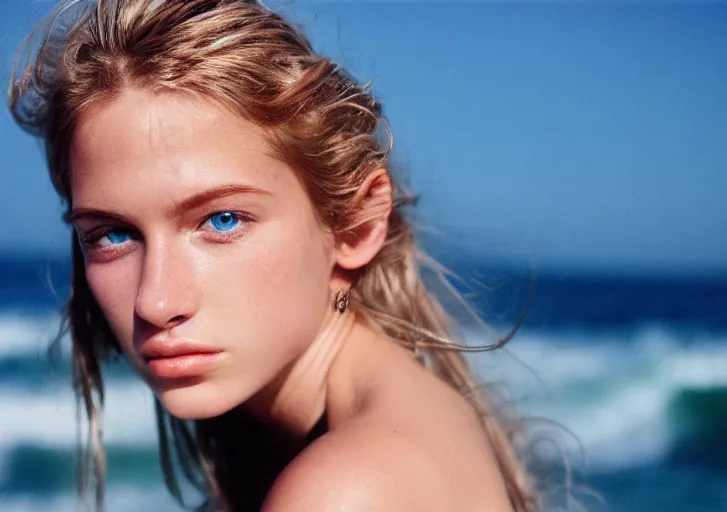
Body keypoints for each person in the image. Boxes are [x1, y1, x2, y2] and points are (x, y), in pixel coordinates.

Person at [9, 1, 539, 510]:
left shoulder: (342, 491)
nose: (156, 301)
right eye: (112, 234)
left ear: (354, 225)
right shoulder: (413, 414)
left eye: (222, 220)